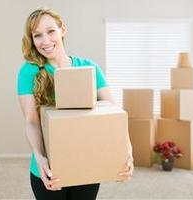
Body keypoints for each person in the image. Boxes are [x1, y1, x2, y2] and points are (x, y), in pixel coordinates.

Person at [16, 7, 134, 199]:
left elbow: (115, 116)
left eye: (50, 31)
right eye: (37, 35)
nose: (45, 41)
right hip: (49, 170)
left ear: (63, 30)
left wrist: (126, 151)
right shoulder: (28, 72)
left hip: (86, 165)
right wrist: (40, 158)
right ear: (32, 40)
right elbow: (31, 121)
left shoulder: (89, 69)